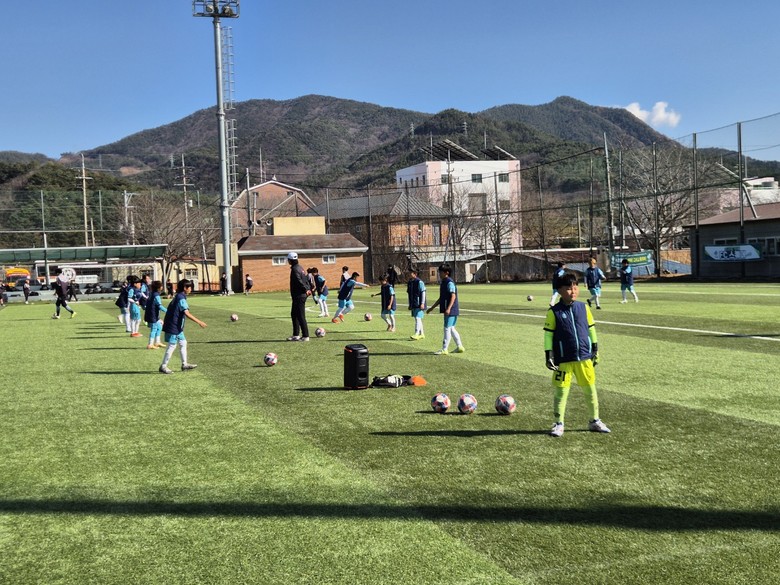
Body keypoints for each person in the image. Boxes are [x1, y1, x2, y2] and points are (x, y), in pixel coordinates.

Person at [543, 272, 610, 437]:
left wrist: (595, 348)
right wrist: (549, 354)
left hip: (584, 357)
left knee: (590, 389)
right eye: (568, 288)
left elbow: (591, 328)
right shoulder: (554, 312)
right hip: (564, 359)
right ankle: (558, 423)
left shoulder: (584, 307)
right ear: (559, 290)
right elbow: (548, 335)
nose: (573, 291)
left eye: (575, 287)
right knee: (561, 392)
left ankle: (594, 421)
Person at [159, 279, 207, 374]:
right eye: (190, 287)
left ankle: (184, 364)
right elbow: (187, 313)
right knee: (172, 345)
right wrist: (199, 322)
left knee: (183, 342)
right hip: (173, 325)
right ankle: (163, 366)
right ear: (185, 288)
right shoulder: (181, 298)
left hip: (176, 326)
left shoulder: (179, 296)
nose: (191, 289)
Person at [426, 264, 464, 355]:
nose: (439, 274)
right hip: (450, 309)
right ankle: (460, 346)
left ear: (446, 272)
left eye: (441, 272)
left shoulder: (449, 283)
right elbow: (441, 298)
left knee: (447, 328)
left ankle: (444, 349)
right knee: (451, 328)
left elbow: (453, 296)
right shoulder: (443, 282)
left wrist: (449, 308)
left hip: (451, 309)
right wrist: (432, 308)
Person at [287, 252, 311, 341]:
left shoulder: (295, 269)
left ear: (290, 260)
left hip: (299, 295)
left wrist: (305, 289)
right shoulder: (300, 268)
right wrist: (308, 288)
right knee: (294, 314)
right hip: (299, 295)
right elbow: (306, 279)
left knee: (300, 315)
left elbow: (298, 280)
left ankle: (305, 336)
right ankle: (296, 335)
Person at [144, 280, 167, 349]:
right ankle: (150, 344)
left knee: (159, 326)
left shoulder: (151, 293)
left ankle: (157, 342)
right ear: (159, 287)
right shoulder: (156, 295)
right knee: (154, 329)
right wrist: (168, 311)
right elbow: (159, 306)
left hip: (151, 314)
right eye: (161, 286)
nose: (162, 287)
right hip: (153, 315)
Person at [407, 267, 426, 340]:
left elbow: (423, 292)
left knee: (418, 318)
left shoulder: (419, 282)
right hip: (413, 303)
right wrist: (410, 304)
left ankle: (417, 333)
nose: (409, 274)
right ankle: (422, 334)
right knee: (417, 318)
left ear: (415, 274)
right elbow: (409, 293)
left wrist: (422, 303)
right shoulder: (410, 282)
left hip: (419, 303)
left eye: (410, 273)